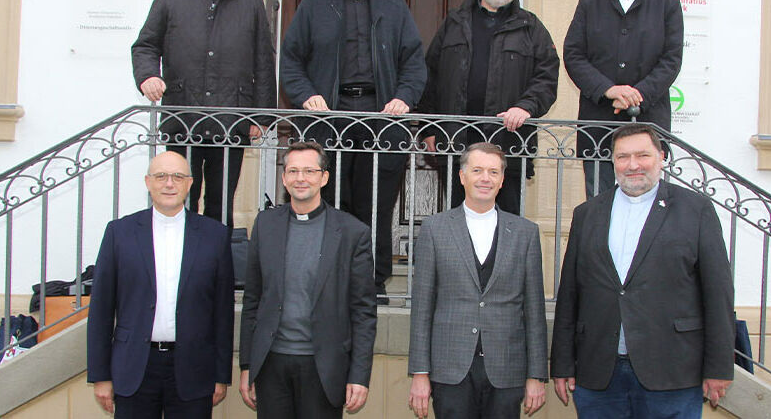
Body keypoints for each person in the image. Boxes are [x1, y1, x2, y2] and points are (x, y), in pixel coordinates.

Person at [279, 0, 428, 301]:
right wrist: (307, 95)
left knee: (374, 206)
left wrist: (404, 99)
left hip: (382, 118)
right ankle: (326, 281)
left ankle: (371, 283)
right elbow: (291, 62)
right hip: (327, 119)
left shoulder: (394, 6)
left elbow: (414, 63)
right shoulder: (315, 4)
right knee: (328, 202)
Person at [550, 124, 733, 418]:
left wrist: (719, 366)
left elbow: (718, 293)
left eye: (642, 155)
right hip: (598, 373)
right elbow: (570, 294)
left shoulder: (695, 209)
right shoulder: (588, 213)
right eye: (623, 157)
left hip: (672, 372)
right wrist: (561, 363)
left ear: (661, 157)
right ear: (613, 162)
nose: (632, 165)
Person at [132, 0, 276, 226]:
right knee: (180, 200)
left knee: (221, 206)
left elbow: (263, 60)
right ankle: (183, 270)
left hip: (231, 120)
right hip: (183, 116)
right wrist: (147, 76)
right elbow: (145, 45)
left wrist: (262, 118)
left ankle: (215, 272)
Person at [87, 151, 235, 418]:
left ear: (190, 183)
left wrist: (220, 375)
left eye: (178, 176)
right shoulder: (119, 233)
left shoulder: (215, 235)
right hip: (134, 367)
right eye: (161, 176)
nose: (169, 184)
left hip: (194, 369)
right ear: (148, 182)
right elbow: (101, 309)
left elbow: (222, 313)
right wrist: (101, 376)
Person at [238, 141, 379, 418]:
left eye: (309, 171)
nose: (300, 178)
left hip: (324, 366)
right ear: (283, 177)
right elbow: (252, 299)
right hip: (271, 365)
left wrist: (359, 375)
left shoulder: (352, 232)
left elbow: (363, 312)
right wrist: (247, 365)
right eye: (293, 171)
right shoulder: (265, 225)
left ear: (324, 177)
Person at [407, 142, 548, 419]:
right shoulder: (435, 229)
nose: (485, 178)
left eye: (493, 172)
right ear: (462, 177)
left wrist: (536, 375)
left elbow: (534, 310)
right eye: (478, 170)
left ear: (502, 179)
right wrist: (420, 373)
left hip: (507, 368)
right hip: (450, 368)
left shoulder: (525, 233)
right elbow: (422, 307)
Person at [421, 0, 559, 215]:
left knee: (506, 225)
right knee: (457, 222)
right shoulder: (454, 22)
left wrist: (526, 107)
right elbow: (431, 76)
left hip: (508, 144)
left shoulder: (531, 27)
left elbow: (547, 76)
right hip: (455, 144)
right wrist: (428, 129)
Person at [564, 0, 683, 197]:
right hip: (598, 123)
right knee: (599, 202)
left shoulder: (667, 3)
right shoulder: (589, 3)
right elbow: (573, 54)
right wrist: (609, 90)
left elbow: (671, 59)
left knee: (647, 199)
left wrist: (636, 95)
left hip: (648, 120)